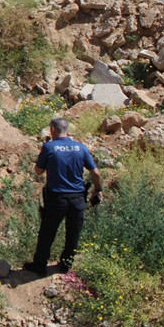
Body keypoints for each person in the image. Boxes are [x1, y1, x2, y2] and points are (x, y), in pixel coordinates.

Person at [23, 117, 103, 276]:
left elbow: (38, 171)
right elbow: (96, 172)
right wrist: (98, 190)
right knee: (73, 232)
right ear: (67, 130)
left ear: (53, 129)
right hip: (78, 198)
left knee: (48, 232)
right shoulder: (81, 148)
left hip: (57, 199)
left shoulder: (49, 147)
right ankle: (66, 264)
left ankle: (40, 265)